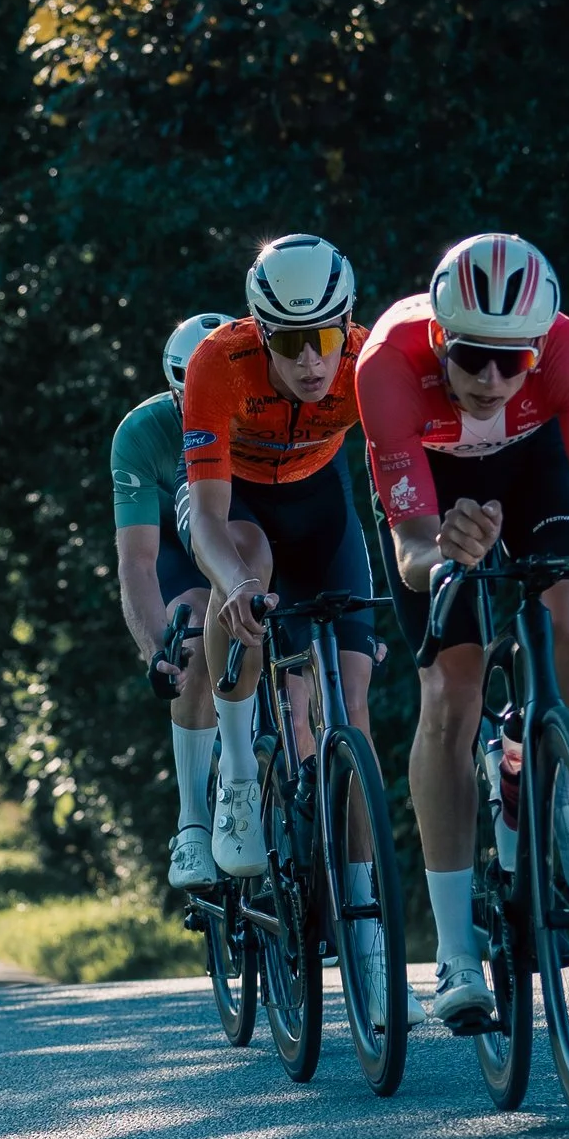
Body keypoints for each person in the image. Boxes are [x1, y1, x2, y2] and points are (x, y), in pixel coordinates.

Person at [354, 230, 569, 1029]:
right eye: (472, 357)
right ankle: (456, 952)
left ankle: (550, 785)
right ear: (438, 337)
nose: (493, 378)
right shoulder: (388, 363)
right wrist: (446, 550)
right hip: (437, 500)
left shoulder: (568, 352)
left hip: (534, 473)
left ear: (539, 349)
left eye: (514, 361)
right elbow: (409, 550)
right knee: (451, 693)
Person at [179, 235, 385, 880]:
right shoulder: (219, 362)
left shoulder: (366, 358)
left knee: (352, 707)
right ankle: (238, 770)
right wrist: (235, 583)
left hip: (321, 503)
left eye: (323, 339)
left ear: (346, 329)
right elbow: (208, 518)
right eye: (290, 341)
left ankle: (364, 918)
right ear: (261, 332)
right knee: (246, 560)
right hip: (238, 505)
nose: (310, 360)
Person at [112, 310, 232, 886]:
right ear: (173, 392)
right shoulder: (141, 435)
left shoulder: (264, 419)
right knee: (194, 631)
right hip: (175, 548)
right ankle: (192, 823)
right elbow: (136, 560)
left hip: (241, 536)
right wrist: (155, 649)